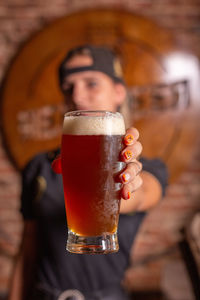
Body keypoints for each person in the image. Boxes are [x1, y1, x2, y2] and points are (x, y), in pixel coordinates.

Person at [8, 45, 168, 300]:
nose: (78, 95)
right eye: (69, 87)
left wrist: (124, 185)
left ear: (119, 92)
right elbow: (27, 251)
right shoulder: (38, 166)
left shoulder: (146, 168)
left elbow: (141, 193)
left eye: (91, 83)